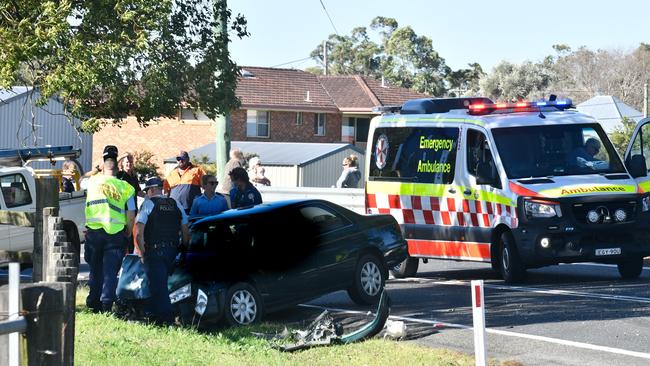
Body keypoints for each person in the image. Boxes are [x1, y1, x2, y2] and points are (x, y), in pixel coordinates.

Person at [84, 145, 136, 313]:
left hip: (94, 232)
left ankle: (93, 303)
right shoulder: (126, 187)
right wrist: (129, 230)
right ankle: (106, 304)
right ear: (117, 163)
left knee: (95, 270)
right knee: (111, 272)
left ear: (104, 162)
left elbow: (79, 180)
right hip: (116, 234)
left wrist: (97, 168)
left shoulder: (92, 181)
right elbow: (131, 213)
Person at [135, 177, 189, 325]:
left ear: (151, 190)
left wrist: (142, 253)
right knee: (161, 284)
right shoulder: (175, 203)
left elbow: (139, 232)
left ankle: (167, 320)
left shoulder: (148, 204)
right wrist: (183, 249)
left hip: (155, 252)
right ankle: (153, 316)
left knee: (158, 286)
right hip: (172, 251)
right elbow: (185, 230)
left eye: (147, 191)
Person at [163, 150, 205, 214]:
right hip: (174, 209)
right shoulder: (172, 173)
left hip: (192, 208)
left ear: (188, 159)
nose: (181, 160)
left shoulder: (197, 170)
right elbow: (166, 193)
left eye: (183, 158)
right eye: (178, 158)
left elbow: (206, 186)